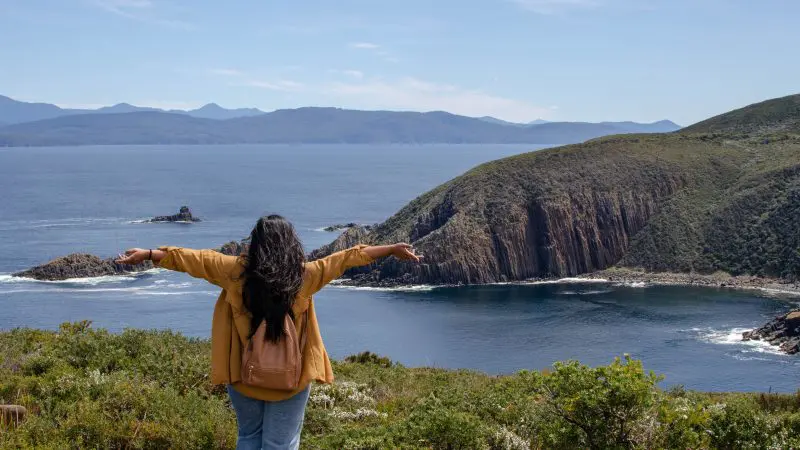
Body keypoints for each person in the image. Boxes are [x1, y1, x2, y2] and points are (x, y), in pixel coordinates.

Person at [116, 214, 421, 450]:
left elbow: (192, 259)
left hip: (243, 377)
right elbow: (349, 257)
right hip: (292, 380)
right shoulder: (305, 276)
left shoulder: (234, 272)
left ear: (257, 242)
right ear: (291, 244)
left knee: (249, 437)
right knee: (281, 445)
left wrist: (148, 253)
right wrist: (392, 249)